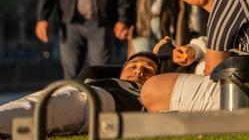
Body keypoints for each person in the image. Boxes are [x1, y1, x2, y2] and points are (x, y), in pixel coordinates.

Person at [0, 52, 159, 137]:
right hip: (80, 94)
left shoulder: (153, 92)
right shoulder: (100, 77)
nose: (138, 71)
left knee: (39, 108)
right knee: (32, 104)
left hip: (103, 102)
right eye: (133, 66)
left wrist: (163, 57)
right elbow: (92, 69)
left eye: (147, 70)